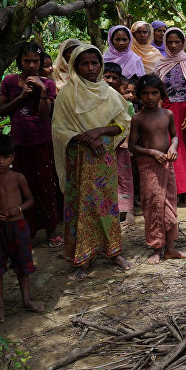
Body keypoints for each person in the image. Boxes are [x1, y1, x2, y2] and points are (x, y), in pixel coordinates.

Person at [51, 45, 132, 279]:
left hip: (103, 158)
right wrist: (86, 139)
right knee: (82, 207)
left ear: (101, 65)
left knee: (107, 203)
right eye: (84, 63)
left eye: (94, 63)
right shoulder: (67, 95)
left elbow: (123, 122)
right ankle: (82, 258)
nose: (90, 68)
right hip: (78, 159)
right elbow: (59, 129)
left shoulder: (110, 93)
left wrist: (100, 131)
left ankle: (113, 251)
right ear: (75, 66)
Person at [0, 42, 63, 247]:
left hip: (43, 142)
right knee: (23, 187)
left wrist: (41, 91)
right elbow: (2, 110)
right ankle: (28, 229)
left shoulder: (48, 84)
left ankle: (51, 230)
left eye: (36, 61)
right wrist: (22, 96)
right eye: (27, 61)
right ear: (19, 62)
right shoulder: (9, 81)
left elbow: (44, 116)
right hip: (20, 144)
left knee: (46, 185)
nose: (32, 65)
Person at [0, 134, 41, 325]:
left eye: (5, 157)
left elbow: (30, 200)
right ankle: (0, 307)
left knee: (22, 263)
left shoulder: (18, 178)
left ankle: (26, 299)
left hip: (18, 226)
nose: (1, 162)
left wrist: (18, 209)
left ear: (12, 156)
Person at [128, 74, 186, 264]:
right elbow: (132, 146)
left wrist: (173, 148)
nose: (150, 97)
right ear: (139, 95)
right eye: (145, 93)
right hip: (148, 165)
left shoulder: (167, 115)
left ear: (161, 94)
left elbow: (175, 136)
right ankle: (156, 247)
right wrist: (152, 152)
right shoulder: (138, 118)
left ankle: (170, 247)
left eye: (154, 93)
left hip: (166, 164)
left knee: (169, 203)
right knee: (153, 205)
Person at [154, 27, 186, 203]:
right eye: (170, 42)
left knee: (184, 149)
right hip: (166, 111)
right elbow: (157, 91)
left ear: (183, 43)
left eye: (177, 42)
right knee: (170, 148)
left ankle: (184, 190)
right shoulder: (160, 64)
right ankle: (175, 189)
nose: (173, 45)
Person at [103, 62, 136, 227]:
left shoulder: (125, 103)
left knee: (124, 177)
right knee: (106, 178)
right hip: (102, 145)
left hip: (121, 145)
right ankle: (110, 211)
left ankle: (129, 211)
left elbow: (129, 123)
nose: (110, 81)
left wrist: (127, 142)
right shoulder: (95, 98)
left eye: (114, 78)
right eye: (107, 77)